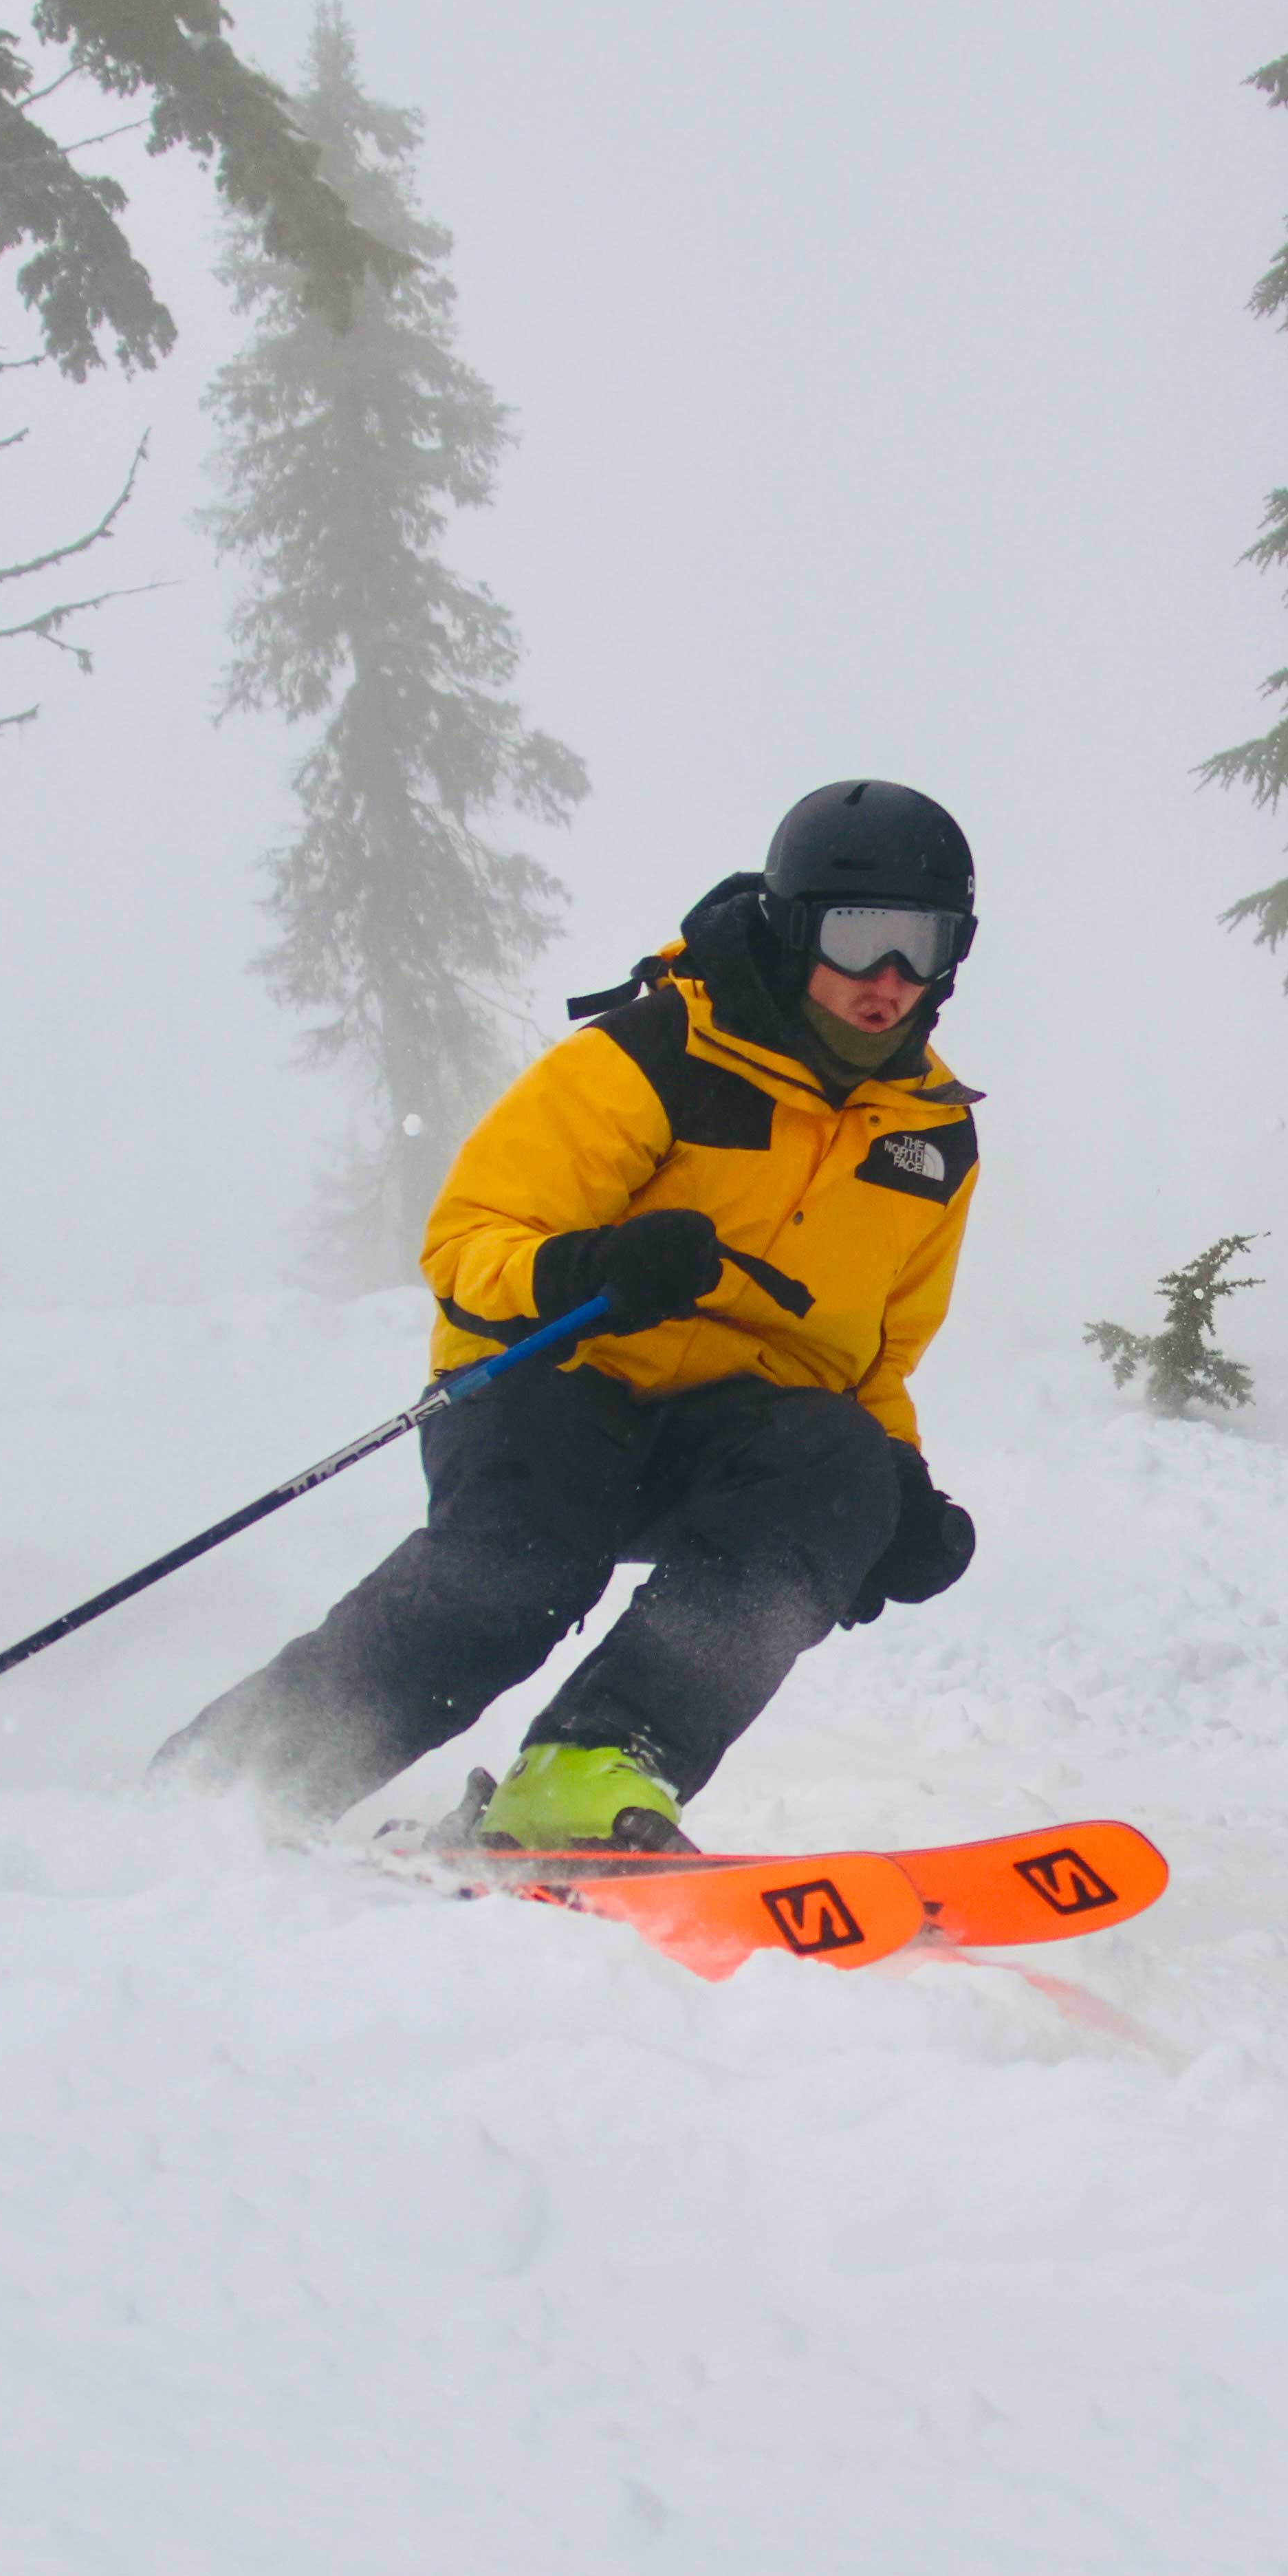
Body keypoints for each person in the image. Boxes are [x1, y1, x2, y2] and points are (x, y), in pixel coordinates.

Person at [156, 781, 988, 1850]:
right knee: (515, 1584)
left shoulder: (930, 1142)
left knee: (841, 1471)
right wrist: (589, 1268)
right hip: (551, 1383)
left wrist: (897, 1492)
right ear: (792, 928)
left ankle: (589, 1769)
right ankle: (238, 1780)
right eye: (859, 937)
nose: (890, 978)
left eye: (924, 944)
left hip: (725, 1432)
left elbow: (874, 1363)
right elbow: (469, 1242)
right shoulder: (656, 1055)